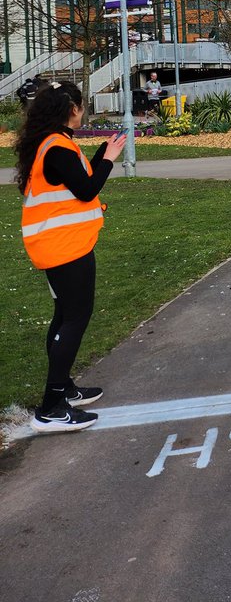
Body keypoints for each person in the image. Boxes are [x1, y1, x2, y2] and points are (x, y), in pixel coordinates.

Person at [15, 82, 127, 433]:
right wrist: (109, 160)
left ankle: (64, 389)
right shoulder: (57, 146)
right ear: (73, 109)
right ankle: (51, 408)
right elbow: (88, 189)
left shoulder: (52, 143)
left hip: (58, 245)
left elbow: (78, 183)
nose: (84, 110)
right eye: (82, 105)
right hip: (64, 247)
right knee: (75, 318)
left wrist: (101, 156)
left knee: (65, 315)